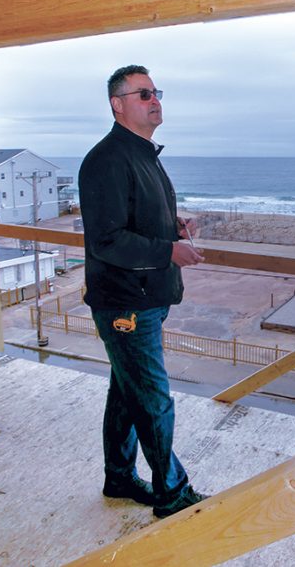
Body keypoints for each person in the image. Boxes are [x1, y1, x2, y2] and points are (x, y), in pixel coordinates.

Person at [78, 65, 208, 519]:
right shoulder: (107, 160)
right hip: (124, 303)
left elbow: (133, 216)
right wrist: (169, 251)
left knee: (127, 391)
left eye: (156, 92)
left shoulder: (142, 154)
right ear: (118, 104)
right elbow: (106, 239)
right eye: (144, 93)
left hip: (146, 298)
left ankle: (119, 476)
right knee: (153, 398)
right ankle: (172, 493)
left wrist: (172, 226)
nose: (155, 100)